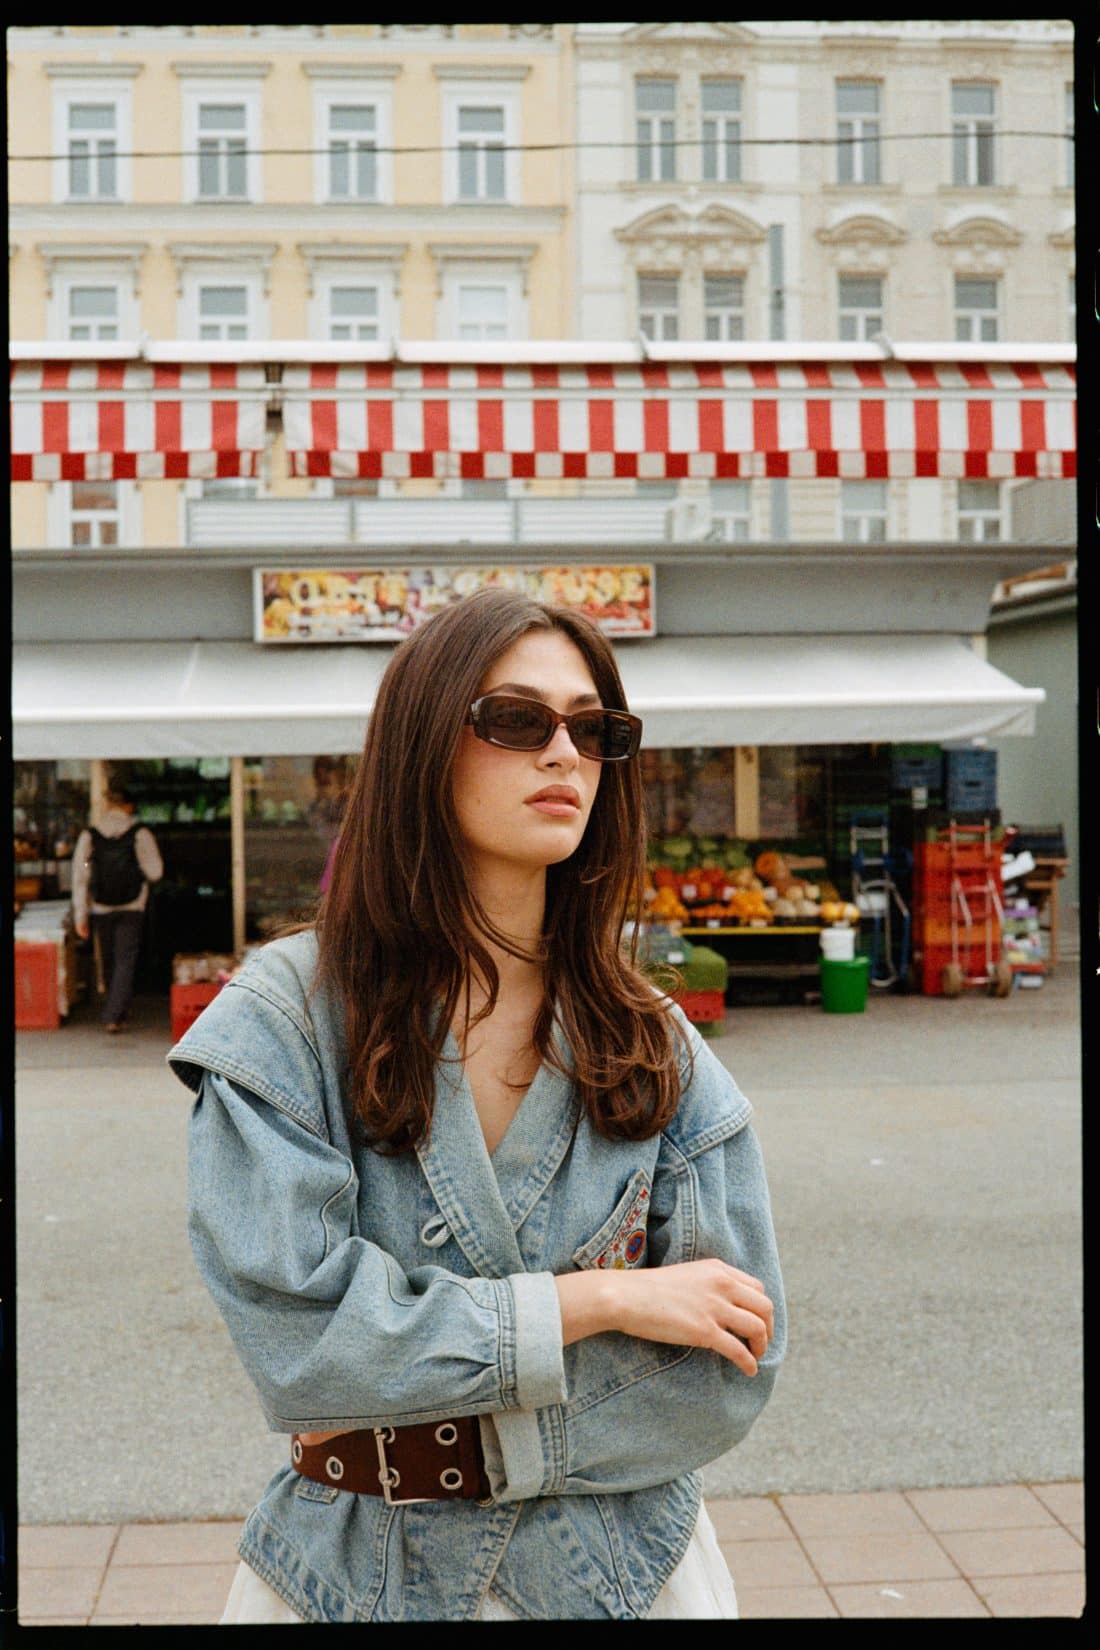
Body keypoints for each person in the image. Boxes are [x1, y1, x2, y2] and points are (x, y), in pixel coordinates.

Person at [168, 588, 786, 1623]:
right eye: (515, 720)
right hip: (344, 1575)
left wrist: (435, 1417)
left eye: (593, 729)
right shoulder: (284, 1021)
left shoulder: (653, 1042)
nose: (563, 753)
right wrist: (599, 1302)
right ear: (422, 745)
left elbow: (729, 1359)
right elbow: (303, 1340)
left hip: (629, 1577)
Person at [72, 783, 164, 1033]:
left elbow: (80, 877)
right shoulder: (139, 833)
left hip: (100, 907)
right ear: (129, 806)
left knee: (110, 960)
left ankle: (117, 1008)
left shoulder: (90, 835)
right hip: (132, 905)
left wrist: (80, 914)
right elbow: (155, 871)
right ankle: (115, 1014)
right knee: (126, 959)